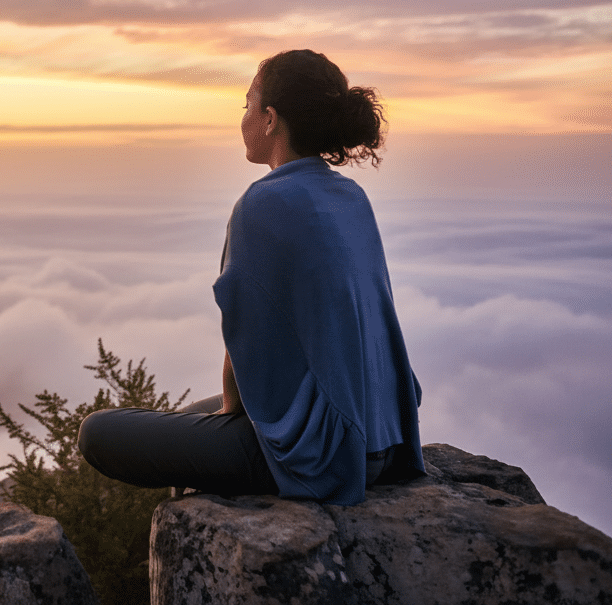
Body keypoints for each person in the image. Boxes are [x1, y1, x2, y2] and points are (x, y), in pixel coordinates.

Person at [77, 49, 423, 505]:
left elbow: (245, 348)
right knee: (188, 415)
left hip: (327, 456)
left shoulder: (263, 203)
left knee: (98, 432)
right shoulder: (349, 195)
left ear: (270, 119)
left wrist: (231, 418)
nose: (242, 117)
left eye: (247, 105)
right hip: (385, 439)